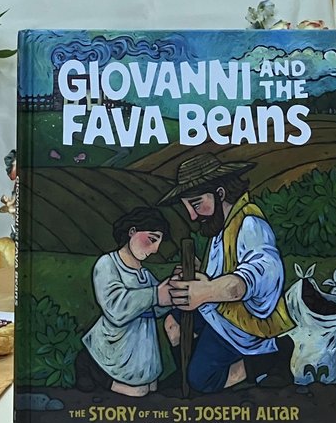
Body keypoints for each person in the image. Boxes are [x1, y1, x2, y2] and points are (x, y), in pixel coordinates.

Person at [158, 153, 295, 394]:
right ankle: (187, 373)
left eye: (196, 204)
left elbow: (260, 273)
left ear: (220, 193)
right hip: (221, 311)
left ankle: (265, 359)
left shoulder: (250, 223)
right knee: (173, 324)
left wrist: (207, 291)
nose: (192, 216)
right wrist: (197, 274)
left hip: (244, 323)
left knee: (203, 380)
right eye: (188, 207)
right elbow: (222, 270)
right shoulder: (222, 227)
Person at [75, 207, 173, 397]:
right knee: (140, 391)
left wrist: (172, 292)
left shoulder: (145, 274)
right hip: (115, 346)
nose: (155, 249)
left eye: (159, 243)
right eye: (152, 239)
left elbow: (157, 309)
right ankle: (93, 368)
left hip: (141, 349)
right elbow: (115, 309)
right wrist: (155, 295)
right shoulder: (108, 264)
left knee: (151, 387)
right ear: (132, 232)